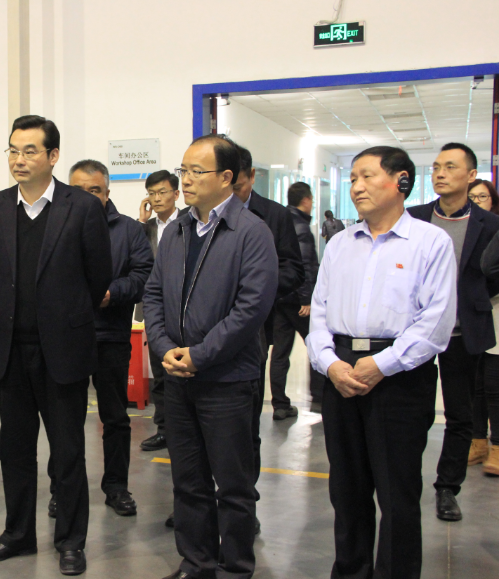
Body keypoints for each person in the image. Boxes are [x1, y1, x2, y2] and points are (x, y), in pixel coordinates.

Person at [307, 146, 456, 579]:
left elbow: (436, 322)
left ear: (401, 181)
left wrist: (383, 364)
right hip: (342, 372)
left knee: (397, 494)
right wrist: (330, 364)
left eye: (367, 176)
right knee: (347, 491)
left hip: (400, 378)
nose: (356, 187)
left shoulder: (430, 242)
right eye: (353, 178)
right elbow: (319, 313)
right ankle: (351, 571)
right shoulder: (340, 244)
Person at [0, 115, 112, 576]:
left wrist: (64, 314)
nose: (19, 159)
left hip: (63, 350)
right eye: (13, 150)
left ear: (53, 156)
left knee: (67, 451)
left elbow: (99, 275)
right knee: (14, 450)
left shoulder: (82, 208)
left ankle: (71, 541)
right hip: (9, 351)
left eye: (30, 150)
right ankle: (17, 535)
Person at [143, 135, 278, 579]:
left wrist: (200, 355)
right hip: (178, 378)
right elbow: (154, 294)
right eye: (182, 171)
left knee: (233, 486)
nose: (185, 180)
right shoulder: (177, 231)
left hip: (227, 381)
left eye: (195, 172)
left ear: (226, 178)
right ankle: (196, 562)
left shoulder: (251, 232)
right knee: (188, 481)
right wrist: (164, 347)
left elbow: (250, 309)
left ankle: (235, 568)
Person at [46, 159, 152, 517]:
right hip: (67, 337)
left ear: (107, 192)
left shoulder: (129, 231)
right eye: (79, 191)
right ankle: (62, 488)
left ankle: (117, 487)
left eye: (95, 190)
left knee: (115, 417)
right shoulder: (53, 225)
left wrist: (111, 293)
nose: (88, 198)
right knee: (65, 420)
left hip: (110, 336)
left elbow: (143, 275)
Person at [407, 143, 499, 522]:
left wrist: (474, 300)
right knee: (414, 411)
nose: (440, 173)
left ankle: (447, 488)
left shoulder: (490, 224)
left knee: (461, 415)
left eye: (449, 167)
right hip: (417, 332)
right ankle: (404, 480)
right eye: (435, 167)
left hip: (463, 333)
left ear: (471, 175)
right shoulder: (414, 217)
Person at [229, 141, 304, 537]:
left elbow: (293, 270)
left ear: (251, 177)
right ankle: (203, 502)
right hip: (203, 341)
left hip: (252, 336)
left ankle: (244, 503)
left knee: (245, 428)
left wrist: (255, 288)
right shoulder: (197, 217)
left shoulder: (273, 216)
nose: (232, 194)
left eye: (239, 186)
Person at [269, 182, 326, 410]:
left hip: (281, 298)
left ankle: (279, 404)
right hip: (297, 301)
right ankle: (319, 397)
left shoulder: (281, 221)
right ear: (306, 200)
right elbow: (303, 265)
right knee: (316, 344)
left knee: (280, 352)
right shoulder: (300, 226)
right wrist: (306, 298)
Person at [136, 169, 181, 453]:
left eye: (162, 192)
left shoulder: (189, 222)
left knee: (183, 370)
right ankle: (164, 430)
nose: (157, 198)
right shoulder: (147, 228)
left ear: (176, 194)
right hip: (154, 310)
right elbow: (134, 257)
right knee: (160, 373)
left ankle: (185, 429)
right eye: (152, 193)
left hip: (182, 309)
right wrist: (141, 222)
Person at [468, 179, 499, 472]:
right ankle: (477, 441)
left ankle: (497, 445)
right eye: (473, 197)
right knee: (475, 382)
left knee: (493, 383)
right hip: (473, 313)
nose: (477, 202)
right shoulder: (466, 230)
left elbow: (489, 267)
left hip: (494, 308)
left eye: (482, 196)